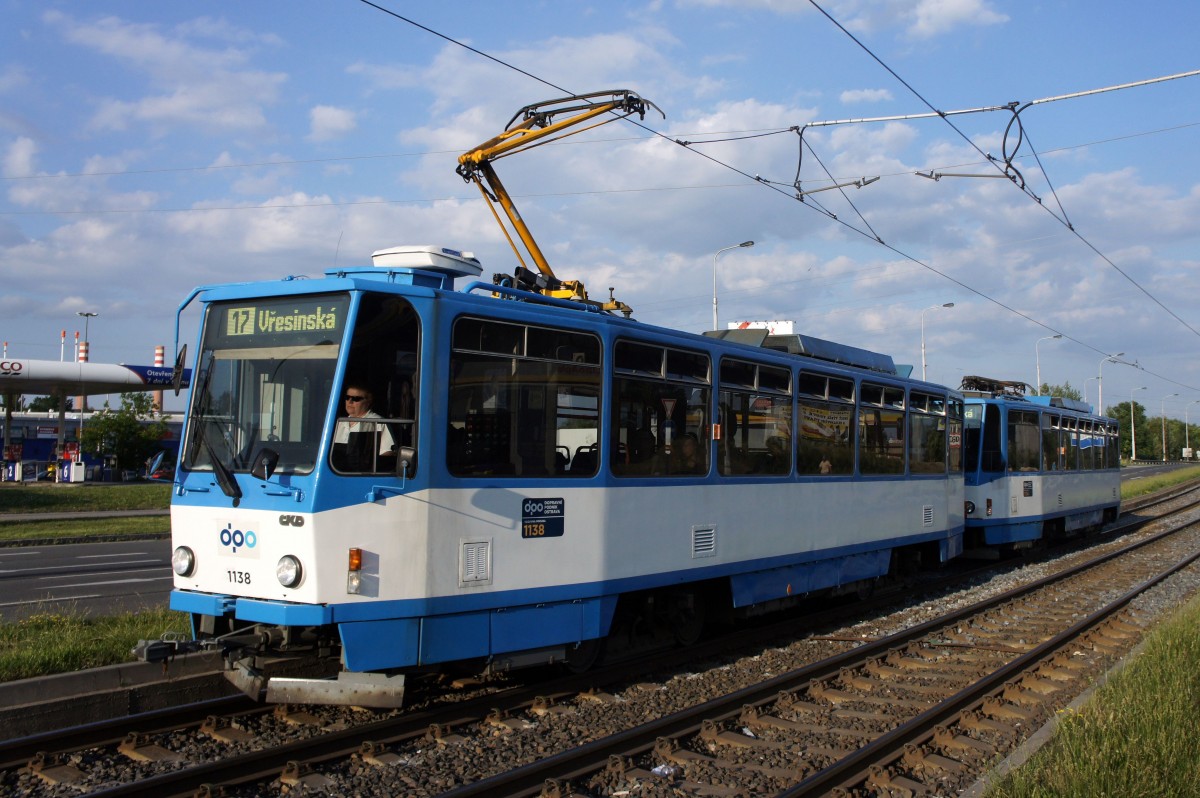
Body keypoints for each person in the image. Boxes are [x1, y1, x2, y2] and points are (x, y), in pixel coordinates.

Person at [333, 383, 395, 470]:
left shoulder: (379, 422)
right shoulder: (338, 422)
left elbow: (387, 453)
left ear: (368, 401)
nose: (350, 402)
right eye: (347, 397)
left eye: (356, 399)